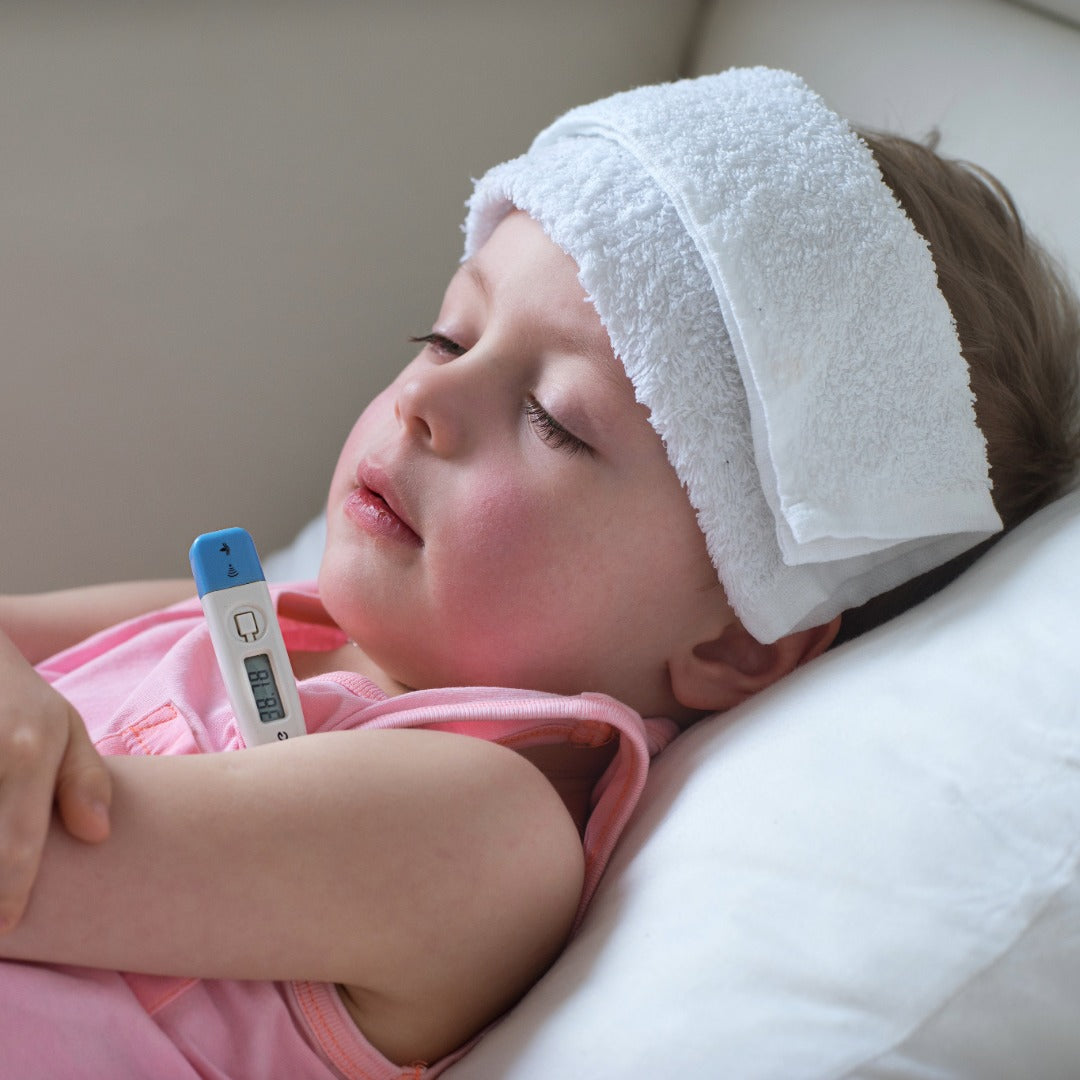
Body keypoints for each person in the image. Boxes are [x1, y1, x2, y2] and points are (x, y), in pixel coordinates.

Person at [0, 69, 1077, 1078]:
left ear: (734, 642)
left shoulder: (479, 834)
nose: (424, 400)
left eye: (554, 420)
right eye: (447, 335)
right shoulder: (263, 621)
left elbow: (28, 866)